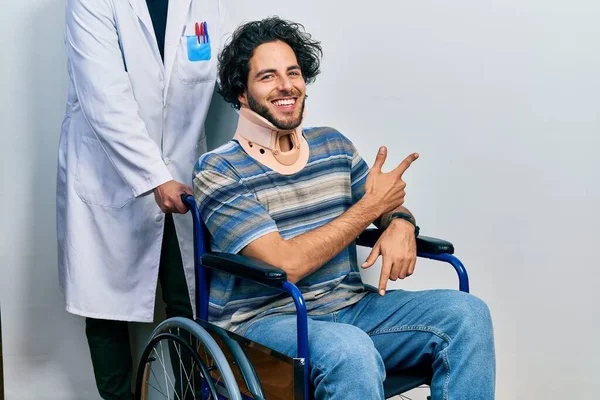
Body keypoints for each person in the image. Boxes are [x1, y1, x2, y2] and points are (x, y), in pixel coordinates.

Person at [193, 17, 496, 399]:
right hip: (265, 325)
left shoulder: (332, 146)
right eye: (267, 76)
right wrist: (369, 209)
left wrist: (401, 222)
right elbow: (284, 264)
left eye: (293, 73)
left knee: (468, 315)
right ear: (241, 92)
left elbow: (384, 204)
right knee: (347, 350)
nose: (286, 85)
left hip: (352, 309)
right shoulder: (218, 169)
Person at [56, 0, 229, 398]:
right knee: (105, 310)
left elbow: (230, 69)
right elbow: (105, 99)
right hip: (109, 175)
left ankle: (190, 393)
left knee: (188, 300)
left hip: (182, 172)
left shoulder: (206, 4)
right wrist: (154, 177)